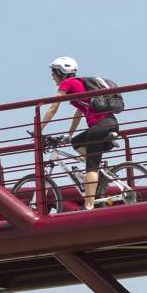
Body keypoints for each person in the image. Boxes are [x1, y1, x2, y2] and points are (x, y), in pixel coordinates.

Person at [38, 56, 119, 210]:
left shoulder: (67, 84)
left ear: (61, 72)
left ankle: (88, 205)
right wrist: (70, 134)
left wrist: (39, 129)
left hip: (100, 127)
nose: (52, 77)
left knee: (91, 166)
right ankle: (98, 177)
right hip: (109, 124)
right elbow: (79, 112)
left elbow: (53, 108)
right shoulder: (80, 84)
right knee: (76, 143)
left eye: (54, 73)